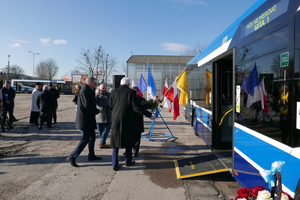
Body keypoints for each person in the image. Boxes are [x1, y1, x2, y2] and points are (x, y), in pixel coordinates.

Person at [109, 77, 155, 171]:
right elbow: (136, 107)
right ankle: (128, 161)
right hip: (128, 119)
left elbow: (110, 106)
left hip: (116, 119)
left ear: (120, 83)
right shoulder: (131, 92)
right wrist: (149, 115)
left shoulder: (113, 92)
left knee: (115, 142)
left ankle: (114, 164)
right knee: (129, 140)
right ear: (129, 84)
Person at [67, 77, 102, 167]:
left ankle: (91, 155)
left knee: (92, 138)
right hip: (84, 120)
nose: (95, 85)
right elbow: (87, 105)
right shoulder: (84, 91)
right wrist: (96, 111)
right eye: (94, 83)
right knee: (85, 139)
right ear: (90, 82)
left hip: (89, 119)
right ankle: (72, 156)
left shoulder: (90, 90)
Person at [131, 86, 152, 157]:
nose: (134, 93)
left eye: (135, 92)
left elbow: (146, 106)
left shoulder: (142, 99)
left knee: (137, 137)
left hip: (138, 120)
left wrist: (143, 109)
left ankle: (136, 151)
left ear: (137, 92)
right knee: (130, 136)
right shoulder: (128, 99)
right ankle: (128, 150)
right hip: (130, 119)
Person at [95, 84, 111, 149]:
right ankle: (103, 142)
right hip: (99, 116)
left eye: (105, 88)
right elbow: (94, 101)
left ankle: (102, 143)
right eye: (102, 88)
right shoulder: (97, 95)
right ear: (99, 89)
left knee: (107, 129)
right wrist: (98, 94)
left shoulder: (109, 95)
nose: (104, 89)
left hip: (108, 115)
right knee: (100, 131)